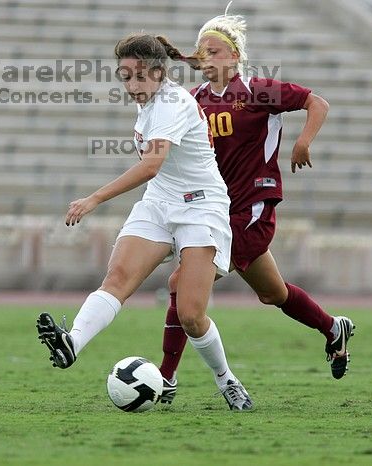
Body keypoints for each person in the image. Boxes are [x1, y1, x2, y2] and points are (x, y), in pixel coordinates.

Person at [36, 33, 253, 410]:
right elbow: (159, 174)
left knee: (190, 315)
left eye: (139, 77)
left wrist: (95, 198)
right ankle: (72, 342)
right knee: (118, 279)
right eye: (125, 77)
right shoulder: (149, 102)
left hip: (201, 208)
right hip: (160, 203)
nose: (131, 86)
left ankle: (226, 379)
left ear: (158, 73)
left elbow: (151, 165)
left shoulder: (171, 102)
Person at [155, 11, 355, 403]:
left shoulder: (257, 91)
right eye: (203, 52)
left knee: (181, 283)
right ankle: (334, 329)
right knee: (273, 294)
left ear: (234, 57)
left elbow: (318, 103)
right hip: (214, 211)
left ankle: (166, 377)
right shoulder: (193, 101)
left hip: (252, 209)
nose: (207, 57)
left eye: (215, 50)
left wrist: (302, 142)